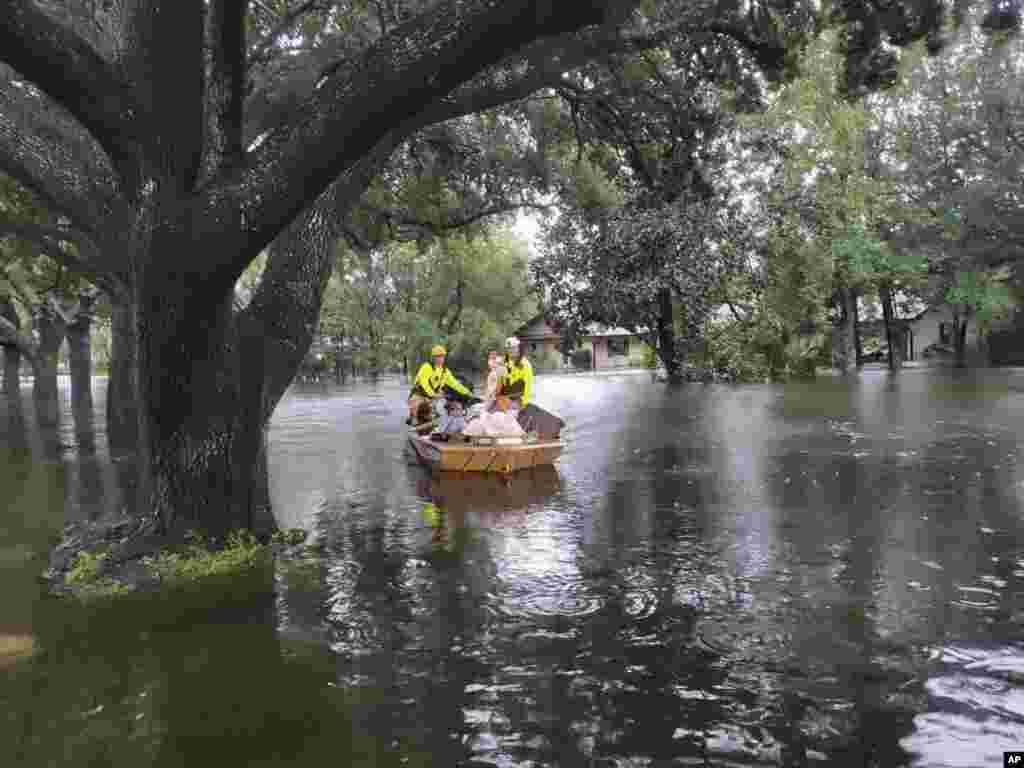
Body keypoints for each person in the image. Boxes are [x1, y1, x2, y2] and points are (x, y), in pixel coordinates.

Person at [407, 344, 472, 425]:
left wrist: (467, 392)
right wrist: (433, 395)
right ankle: (414, 417)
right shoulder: (427, 367)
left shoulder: (445, 371)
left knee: (433, 417)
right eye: (438, 356)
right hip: (418, 396)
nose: (440, 359)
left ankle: (433, 420)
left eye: (442, 356)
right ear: (433, 358)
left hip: (431, 399)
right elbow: (424, 383)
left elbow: (455, 384)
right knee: (418, 416)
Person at [499, 336, 534, 412]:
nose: (511, 350)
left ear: (518, 348)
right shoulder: (503, 362)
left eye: (513, 348)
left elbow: (528, 387)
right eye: (508, 348)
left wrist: (522, 403)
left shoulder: (525, 365)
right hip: (505, 397)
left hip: (518, 400)